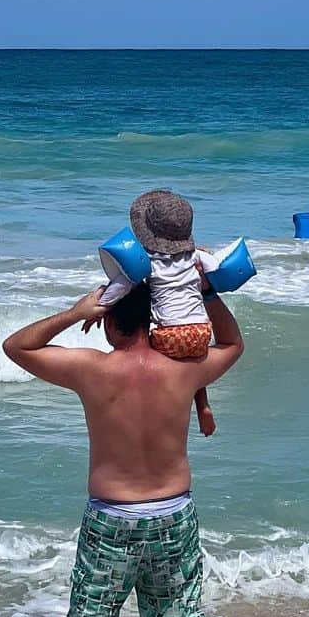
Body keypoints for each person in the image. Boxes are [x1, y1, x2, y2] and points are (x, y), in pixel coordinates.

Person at [2, 276, 245, 617]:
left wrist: (76, 314)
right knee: (186, 615)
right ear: (152, 320)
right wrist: (205, 293)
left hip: (112, 518)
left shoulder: (94, 370)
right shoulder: (184, 370)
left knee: (91, 616)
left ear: (107, 319)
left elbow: (17, 346)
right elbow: (233, 343)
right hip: (173, 513)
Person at [128, 188, 217, 438]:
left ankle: (151, 410)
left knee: (147, 343)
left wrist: (97, 308)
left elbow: (123, 286)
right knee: (194, 360)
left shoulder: (148, 262)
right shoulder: (195, 256)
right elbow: (218, 268)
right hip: (201, 331)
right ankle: (202, 405)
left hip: (167, 334)